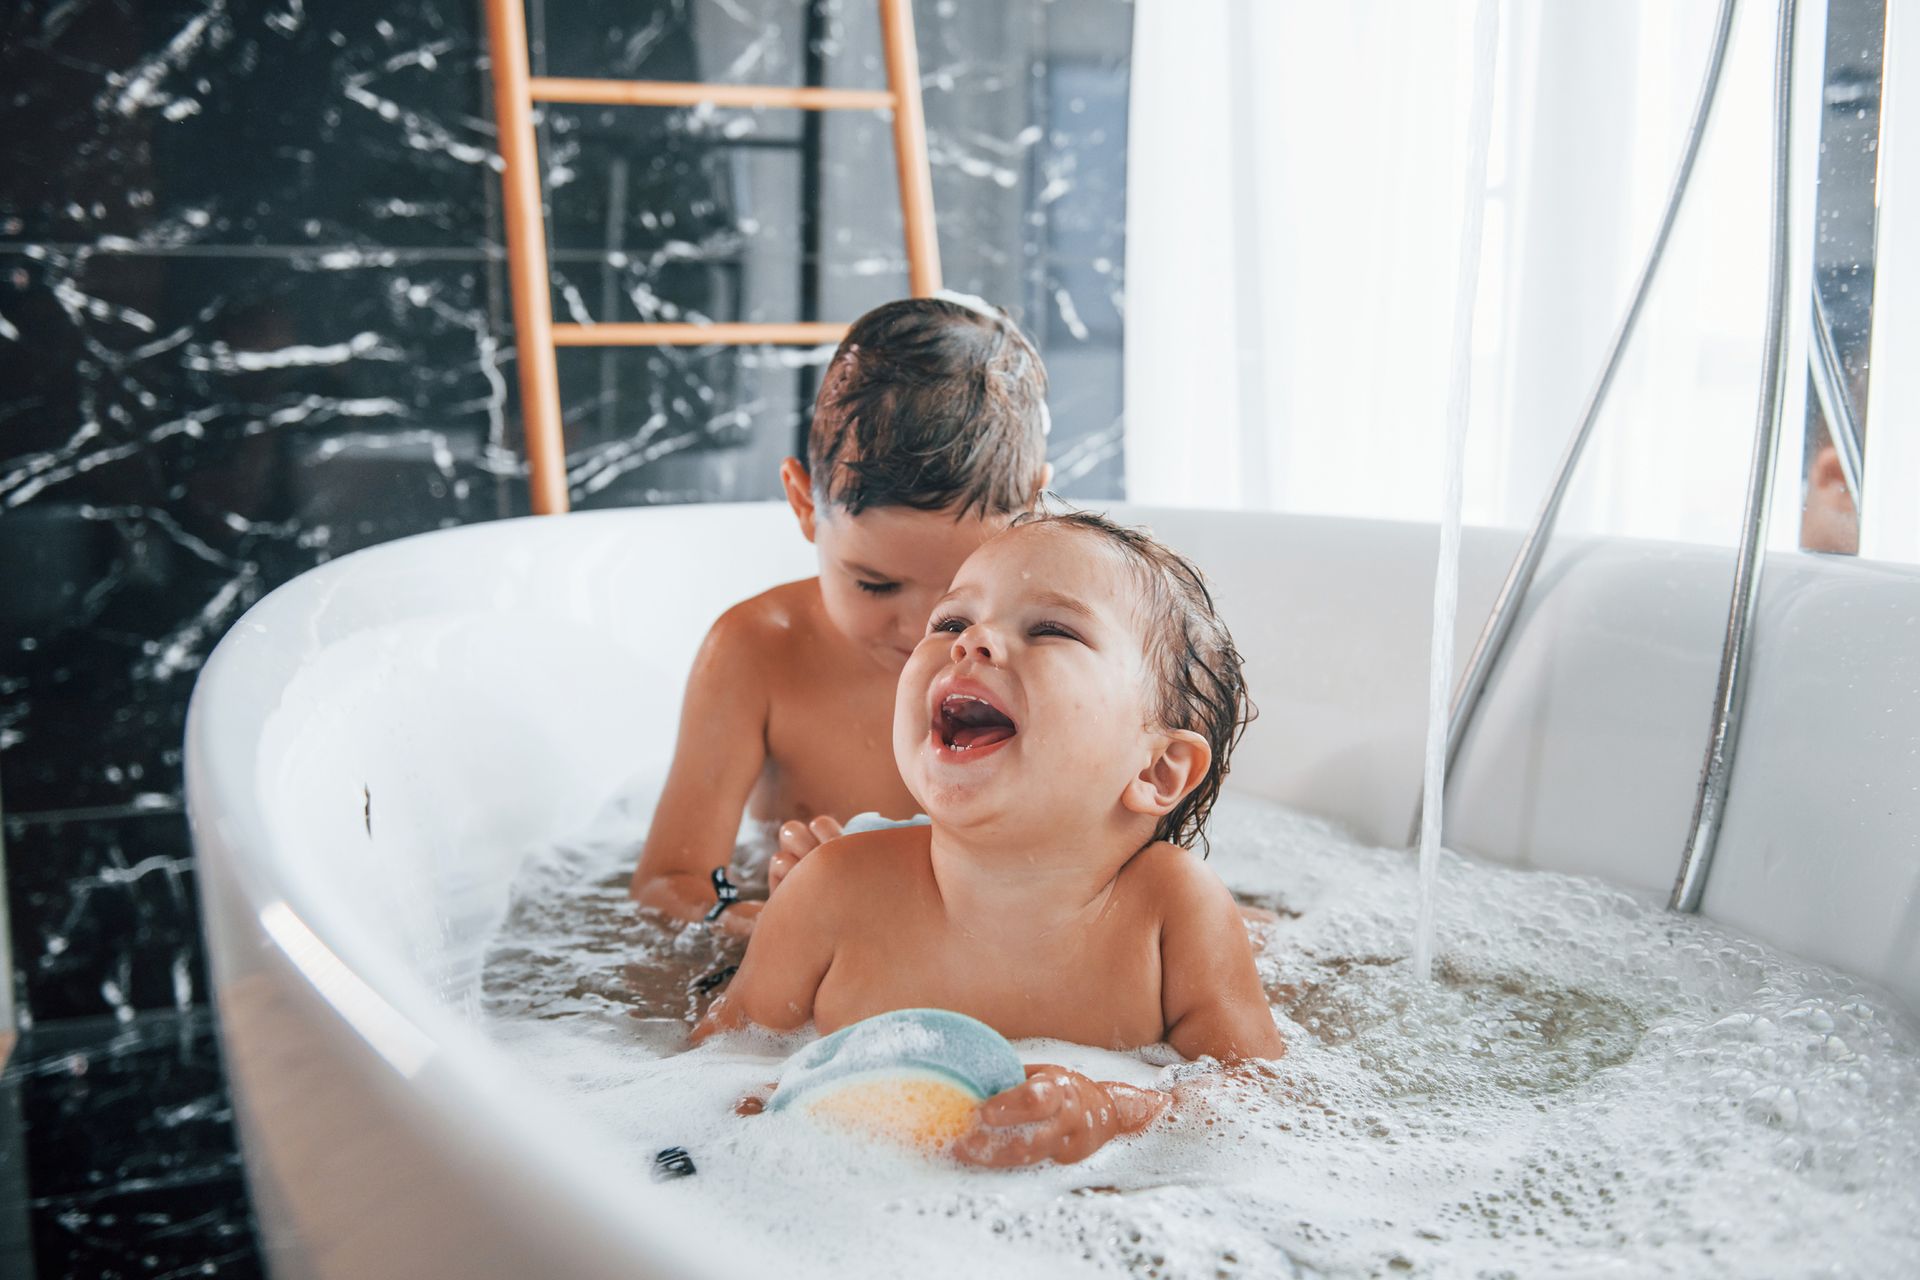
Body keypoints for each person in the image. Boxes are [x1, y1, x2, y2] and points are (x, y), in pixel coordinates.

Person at [694, 511, 1287, 1166]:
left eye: (1051, 629)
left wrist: (1114, 1110)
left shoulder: (1171, 911)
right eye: (951, 622)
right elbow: (707, 1071)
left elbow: (1257, 1096)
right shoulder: (834, 890)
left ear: (1155, 769)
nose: (969, 643)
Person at [628, 296, 1052, 934]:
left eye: (959, 596)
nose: (920, 631)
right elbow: (668, 885)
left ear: (1035, 512)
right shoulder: (757, 652)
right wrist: (772, 922)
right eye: (876, 585)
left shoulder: (1064, 657)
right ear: (803, 505)